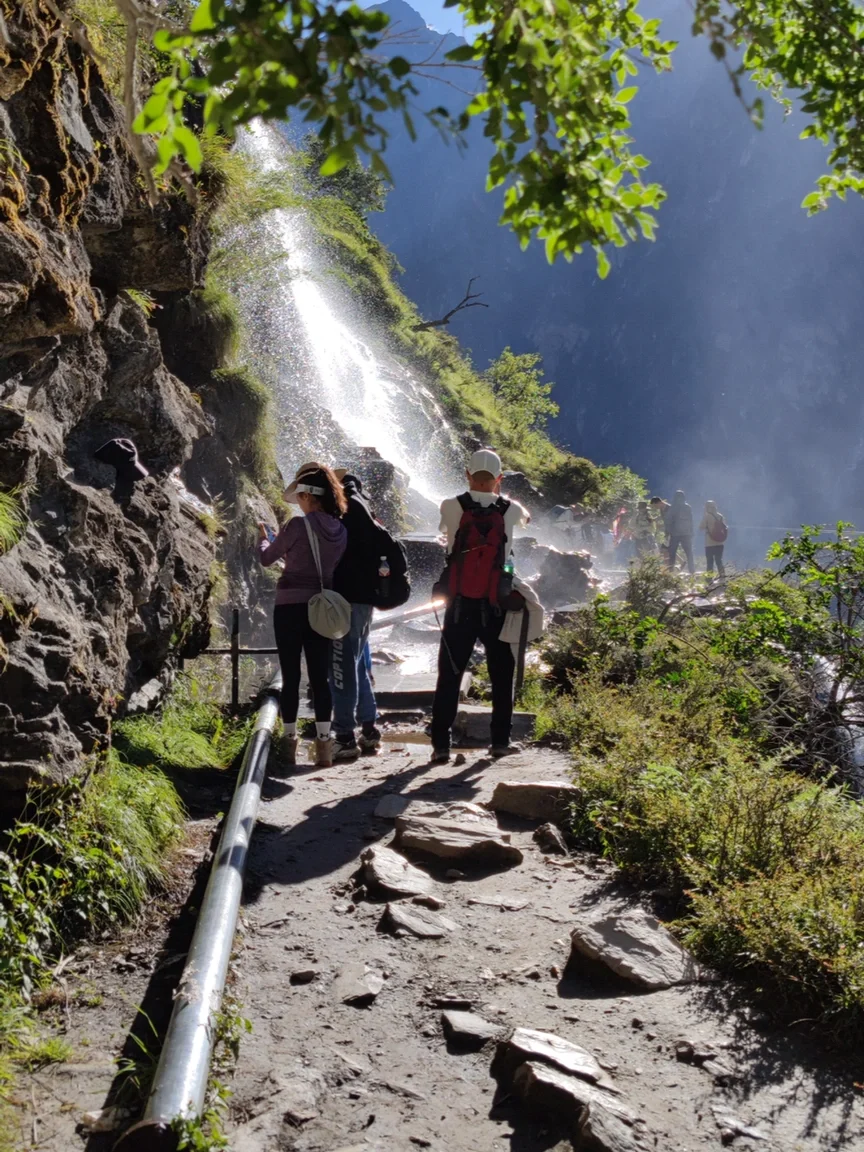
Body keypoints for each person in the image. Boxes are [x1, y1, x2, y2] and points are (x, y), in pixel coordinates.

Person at [430, 448, 529, 762]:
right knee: (502, 675)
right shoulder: (511, 510)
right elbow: (525, 522)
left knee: (449, 675)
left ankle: (441, 746)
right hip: (495, 605)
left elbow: (445, 537)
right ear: (499, 479)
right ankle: (500, 742)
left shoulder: (450, 506)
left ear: (468, 476)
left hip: (458, 605)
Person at [258, 463, 347, 768]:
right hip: (321, 609)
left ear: (309, 496)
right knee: (320, 678)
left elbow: (267, 558)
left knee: (291, 675)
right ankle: (324, 747)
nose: (298, 501)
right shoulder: (340, 529)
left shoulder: (297, 526)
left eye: (300, 496)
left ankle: (288, 744)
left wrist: (265, 538)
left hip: (290, 608)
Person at [330, 470, 384, 761]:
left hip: (344, 599)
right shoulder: (365, 509)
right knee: (358, 662)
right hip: (365, 600)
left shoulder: (343, 510)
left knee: (341, 667)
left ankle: (345, 737)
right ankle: (370, 729)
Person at [664, 490, 695, 575]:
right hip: (686, 534)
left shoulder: (673, 507)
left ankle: (671, 571)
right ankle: (692, 571)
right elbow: (691, 520)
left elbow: (668, 520)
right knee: (689, 553)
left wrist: (668, 532)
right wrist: (691, 531)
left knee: (672, 553)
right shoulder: (688, 507)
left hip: (675, 534)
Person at [699, 500, 727, 577]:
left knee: (710, 562)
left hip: (709, 543)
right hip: (720, 543)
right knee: (719, 561)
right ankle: (723, 576)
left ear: (707, 507)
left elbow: (701, 527)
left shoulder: (707, 516)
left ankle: (709, 579)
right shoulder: (720, 516)